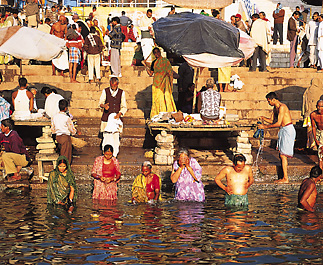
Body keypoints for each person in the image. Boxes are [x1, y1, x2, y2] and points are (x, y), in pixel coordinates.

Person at [258, 92, 296, 183]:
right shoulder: (275, 108)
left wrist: (265, 127)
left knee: (283, 155)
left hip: (288, 130)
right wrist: (263, 118)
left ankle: (286, 178)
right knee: (281, 154)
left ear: (273, 99)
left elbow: (278, 123)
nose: (268, 103)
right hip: (282, 130)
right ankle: (283, 176)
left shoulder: (282, 107)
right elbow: (272, 120)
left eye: (269, 101)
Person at [99, 77, 127, 157]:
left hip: (116, 119)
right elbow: (100, 103)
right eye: (111, 86)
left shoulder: (122, 93)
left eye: (114, 86)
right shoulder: (105, 91)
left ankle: (114, 155)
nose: (113, 87)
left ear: (117, 84)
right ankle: (105, 154)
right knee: (106, 138)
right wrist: (104, 106)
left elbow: (124, 106)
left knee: (115, 138)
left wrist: (119, 114)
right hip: (106, 119)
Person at [145, 47, 177, 118]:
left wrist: (165, 75)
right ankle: (156, 114)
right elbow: (150, 74)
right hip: (156, 83)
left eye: (158, 52)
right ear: (154, 54)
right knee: (157, 98)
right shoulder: (154, 62)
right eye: (155, 53)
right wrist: (145, 66)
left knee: (166, 96)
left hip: (165, 82)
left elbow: (170, 72)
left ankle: (168, 113)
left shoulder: (166, 61)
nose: (157, 54)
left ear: (160, 52)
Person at [51, 99, 76, 164]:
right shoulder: (67, 118)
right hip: (65, 138)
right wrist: (75, 132)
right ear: (66, 108)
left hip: (58, 137)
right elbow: (72, 130)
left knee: (61, 152)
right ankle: (64, 168)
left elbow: (53, 129)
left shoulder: (54, 117)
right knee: (66, 156)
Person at [302, 79, 323, 150]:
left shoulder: (307, 91)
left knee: (310, 130)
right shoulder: (320, 91)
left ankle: (312, 145)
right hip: (317, 114)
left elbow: (304, 103)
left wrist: (303, 112)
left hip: (308, 114)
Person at [310, 100, 323, 169]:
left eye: (321, 106)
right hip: (318, 131)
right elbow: (313, 127)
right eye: (318, 106)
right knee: (319, 152)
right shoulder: (313, 114)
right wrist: (315, 139)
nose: (319, 108)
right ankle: (320, 169)